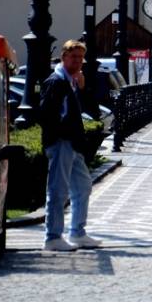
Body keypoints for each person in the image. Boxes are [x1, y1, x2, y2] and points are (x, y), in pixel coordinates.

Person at [39, 39, 103, 251]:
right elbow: (47, 114)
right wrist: (61, 133)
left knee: (83, 186)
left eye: (80, 58)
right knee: (58, 190)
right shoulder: (56, 81)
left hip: (71, 143)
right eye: (74, 57)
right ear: (64, 57)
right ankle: (53, 237)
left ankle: (77, 233)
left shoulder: (71, 80)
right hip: (61, 142)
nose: (78, 61)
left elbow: (81, 109)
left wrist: (82, 88)